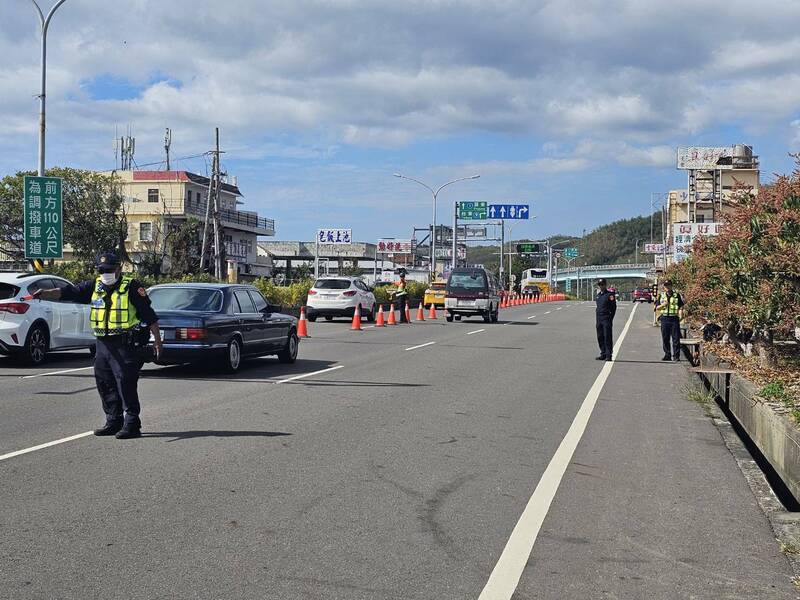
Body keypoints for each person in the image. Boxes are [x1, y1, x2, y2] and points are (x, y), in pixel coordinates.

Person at [32, 253, 162, 439]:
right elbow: (69, 292)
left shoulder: (132, 287)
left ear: (118, 269)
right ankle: (113, 421)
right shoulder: (94, 285)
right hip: (102, 344)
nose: (105, 273)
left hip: (124, 343)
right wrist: (45, 293)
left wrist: (157, 340)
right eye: (101, 270)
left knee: (125, 382)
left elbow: (149, 316)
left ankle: (132, 424)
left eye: (108, 270)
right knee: (105, 383)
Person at [656, 279, 684, 362]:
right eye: (666, 285)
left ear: (671, 286)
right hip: (664, 318)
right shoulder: (662, 295)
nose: (667, 287)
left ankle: (676, 356)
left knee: (676, 338)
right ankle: (667, 354)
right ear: (664, 287)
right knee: (665, 338)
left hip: (674, 318)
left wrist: (681, 314)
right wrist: (663, 305)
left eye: (669, 285)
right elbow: (657, 307)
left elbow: (680, 306)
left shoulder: (676, 295)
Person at [595, 278, 616, 361]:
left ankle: (608, 354)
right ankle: (603, 353)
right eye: (600, 285)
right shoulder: (598, 295)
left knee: (607, 336)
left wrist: (610, 318)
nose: (601, 286)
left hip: (606, 318)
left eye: (602, 284)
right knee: (600, 336)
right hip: (599, 319)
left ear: (605, 285)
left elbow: (613, 308)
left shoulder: (610, 295)